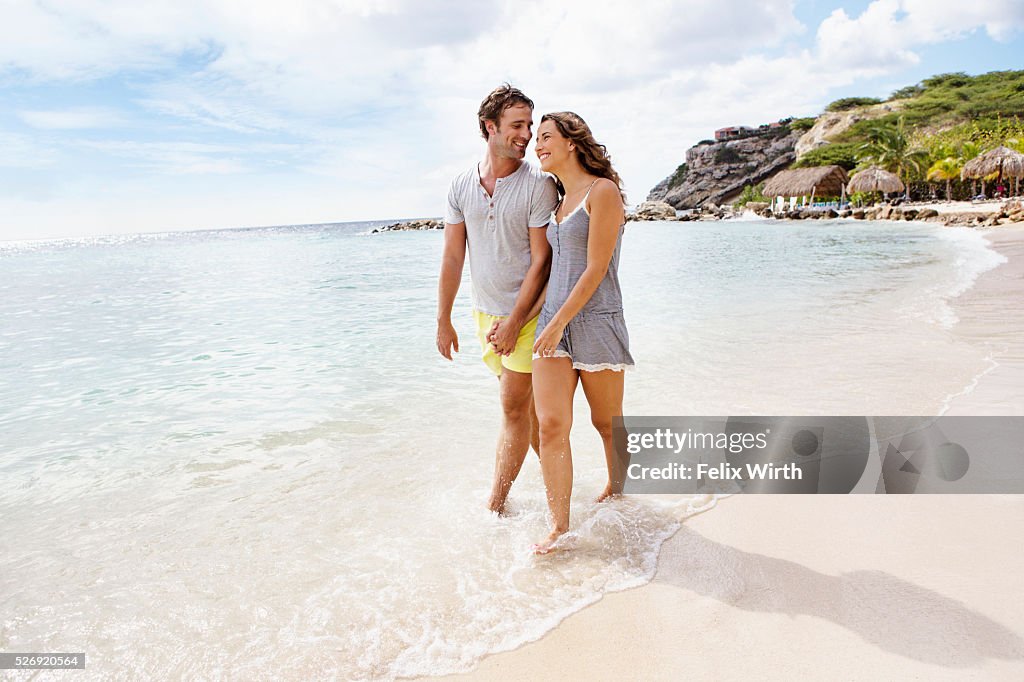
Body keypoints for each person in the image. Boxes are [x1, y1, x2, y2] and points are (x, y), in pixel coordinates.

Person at [436, 84, 559, 515]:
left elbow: (541, 262)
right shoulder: (460, 186)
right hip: (485, 315)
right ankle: (562, 495)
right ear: (490, 127)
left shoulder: (538, 186)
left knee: (512, 409)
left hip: (530, 316)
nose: (526, 135)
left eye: (530, 124)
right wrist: (443, 319)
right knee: (524, 414)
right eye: (517, 125)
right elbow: (453, 256)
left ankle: (495, 507)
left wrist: (514, 322)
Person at [529, 111, 634, 554]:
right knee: (551, 426)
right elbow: (555, 272)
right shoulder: (556, 202)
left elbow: (594, 270)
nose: (538, 145)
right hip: (554, 324)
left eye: (546, 137)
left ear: (572, 142)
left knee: (606, 424)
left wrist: (555, 324)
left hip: (595, 323)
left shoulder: (602, 192)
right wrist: (524, 320)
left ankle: (619, 490)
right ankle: (559, 526)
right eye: (536, 138)